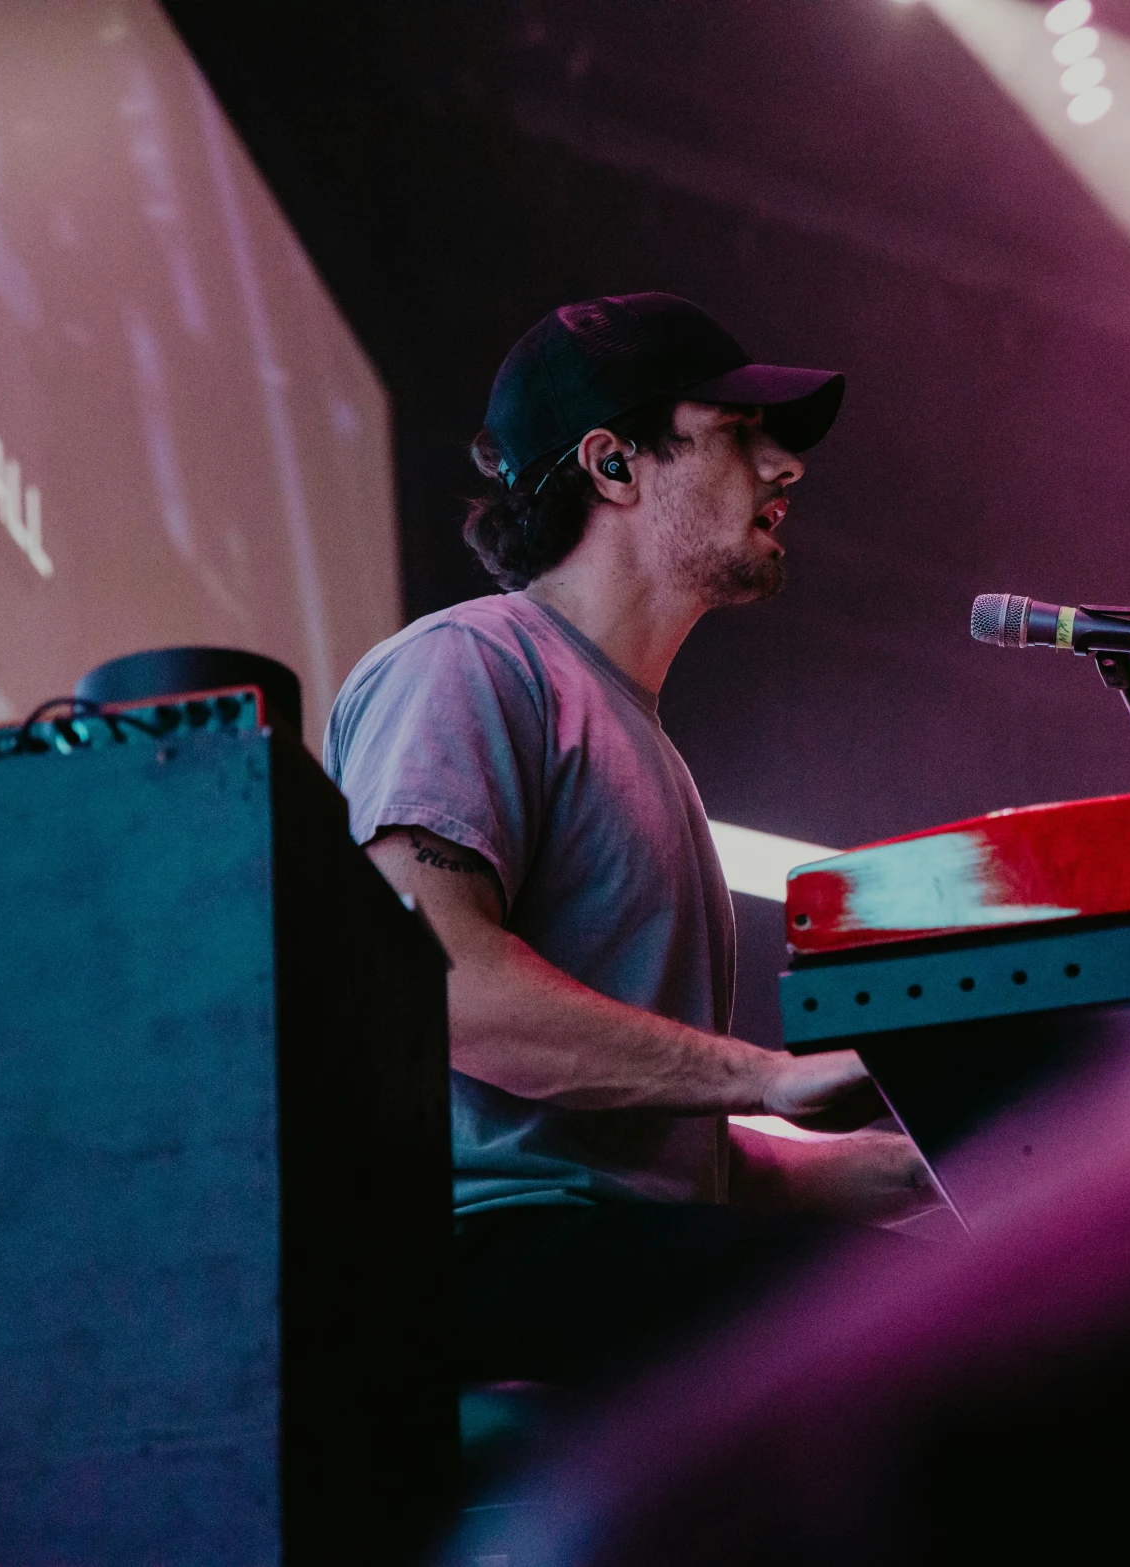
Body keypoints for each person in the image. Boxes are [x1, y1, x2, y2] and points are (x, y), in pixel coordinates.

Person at [324, 293, 935, 1389]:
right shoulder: (470, 661)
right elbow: (438, 989)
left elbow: (639, 1153)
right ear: (613, 464)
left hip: (599, 1249)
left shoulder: (643, 742)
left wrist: (912, 1164)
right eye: (741, 433)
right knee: (928, 1343)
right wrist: (764, 1075)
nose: (785, 465)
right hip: (484, 1264)